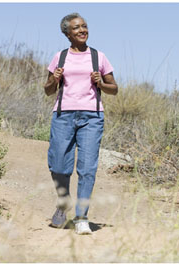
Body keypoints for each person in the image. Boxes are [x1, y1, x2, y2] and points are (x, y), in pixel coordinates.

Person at [43, 12, 118, 235]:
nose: (82, 30)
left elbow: (114, 88)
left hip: (91, 117)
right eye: (76, 28)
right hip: (63, 115)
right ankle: (62, 202)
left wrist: (101, 83)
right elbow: (48, 90)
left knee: (87, 168)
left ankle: (81, 216)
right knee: (58, 164)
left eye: (84, 26)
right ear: (67, 33)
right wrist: (54, 79)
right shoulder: (60, 57)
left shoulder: (99, 57)